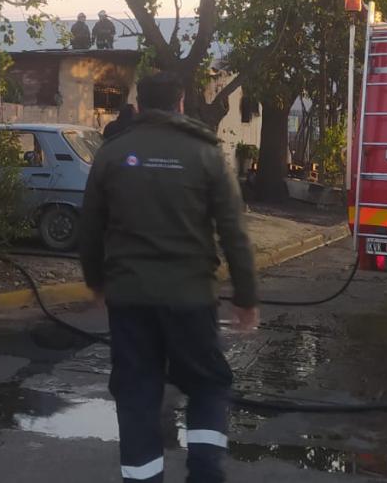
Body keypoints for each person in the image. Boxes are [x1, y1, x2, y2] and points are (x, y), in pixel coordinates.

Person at [80, 72, 259, 483]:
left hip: (130, 301)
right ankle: (205, 472)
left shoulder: (112, 153)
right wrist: (245, 296)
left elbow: (90, 228)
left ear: (139, 106)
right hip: (191, 299)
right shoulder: (207, 154)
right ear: (181, 104)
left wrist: (96, 282)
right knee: (208, 385)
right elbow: (234, 231)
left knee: (138, 394)